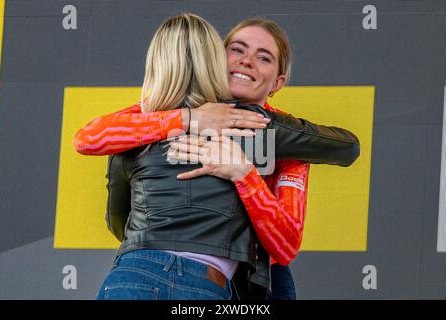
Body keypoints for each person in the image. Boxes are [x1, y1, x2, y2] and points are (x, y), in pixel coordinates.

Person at [77, 14, 360, 300]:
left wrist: (243, 173)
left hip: (258, 277)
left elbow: (285, 246)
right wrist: (189, 118)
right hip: (194, 273)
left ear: (278, 82)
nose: (246, 61)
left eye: (263, 58)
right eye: (237, 49)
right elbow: (88, 139)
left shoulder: (279, 133)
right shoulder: (155, 115)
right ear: (214, 57)